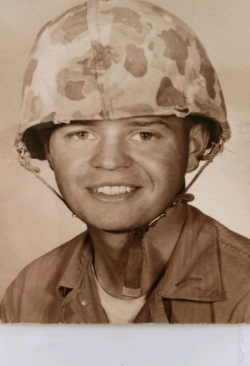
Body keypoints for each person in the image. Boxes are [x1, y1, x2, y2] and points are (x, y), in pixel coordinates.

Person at [1, 0, 250, 324]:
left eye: (143, 134)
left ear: (193, 146)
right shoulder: (28, 293)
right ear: (48, 150)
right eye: (81, 134)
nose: (110, 161)